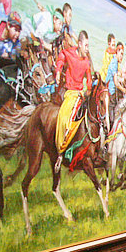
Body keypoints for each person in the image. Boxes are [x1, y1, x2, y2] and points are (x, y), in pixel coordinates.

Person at [54, 29, 92, 163]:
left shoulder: (86, 61)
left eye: (88, 46)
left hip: (81, 94)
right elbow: (61, 58)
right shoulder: (69, 53)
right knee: (66, 118)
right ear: (80, 43)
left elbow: (89, 79)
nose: (87, 49)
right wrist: (58, 72)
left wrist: (89, 89)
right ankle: (60, 150)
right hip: (70, 93)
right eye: (86, 46)